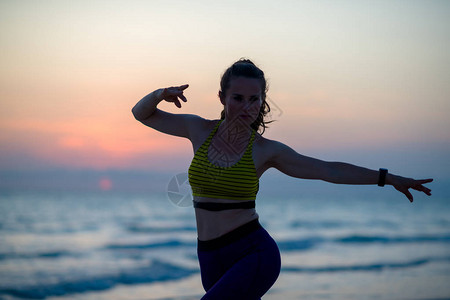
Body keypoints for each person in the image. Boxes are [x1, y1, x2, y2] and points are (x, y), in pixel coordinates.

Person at [132, 58, 433, 299]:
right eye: (238, 98)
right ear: (222, 97)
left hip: (253, 253)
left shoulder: (265, 151)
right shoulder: (198, 130)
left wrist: (388, 178)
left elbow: (329, 170)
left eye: (254, 99)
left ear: (262, 101)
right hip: (209, 256)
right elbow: (141, 114)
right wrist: (160, 94)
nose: (246, 107)